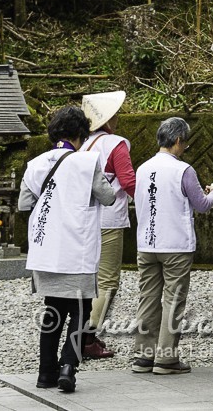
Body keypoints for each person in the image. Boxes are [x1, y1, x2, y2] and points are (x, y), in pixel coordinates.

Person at [19, 105, 120, 395]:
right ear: (80, 134)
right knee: (79, 310)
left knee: (52, 309)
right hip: (77, 249)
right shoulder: (86, 162)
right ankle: (68, 367)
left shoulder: (36, 164)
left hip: (47, 249)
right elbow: (108, 197)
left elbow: (25, 204)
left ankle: (45, 373)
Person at [129, 116, 213, 376]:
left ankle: (144, 356)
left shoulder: (143, 168)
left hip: (147, 243)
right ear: (178, 140)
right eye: (185, 143)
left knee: (147, 298)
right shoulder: (183, 170)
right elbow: (201, 204)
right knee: (173, 300)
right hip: (176, 245)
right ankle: (166, 359)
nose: (185, 148)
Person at [80, 89, 135, 359]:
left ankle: (83, 332)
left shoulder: (80, 144)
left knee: (88, 277)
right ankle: (88, 337)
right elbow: (128, 181)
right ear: (108, 119)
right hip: (110, 219)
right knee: (108, 280)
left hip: (83, 219)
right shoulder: (116, 144)